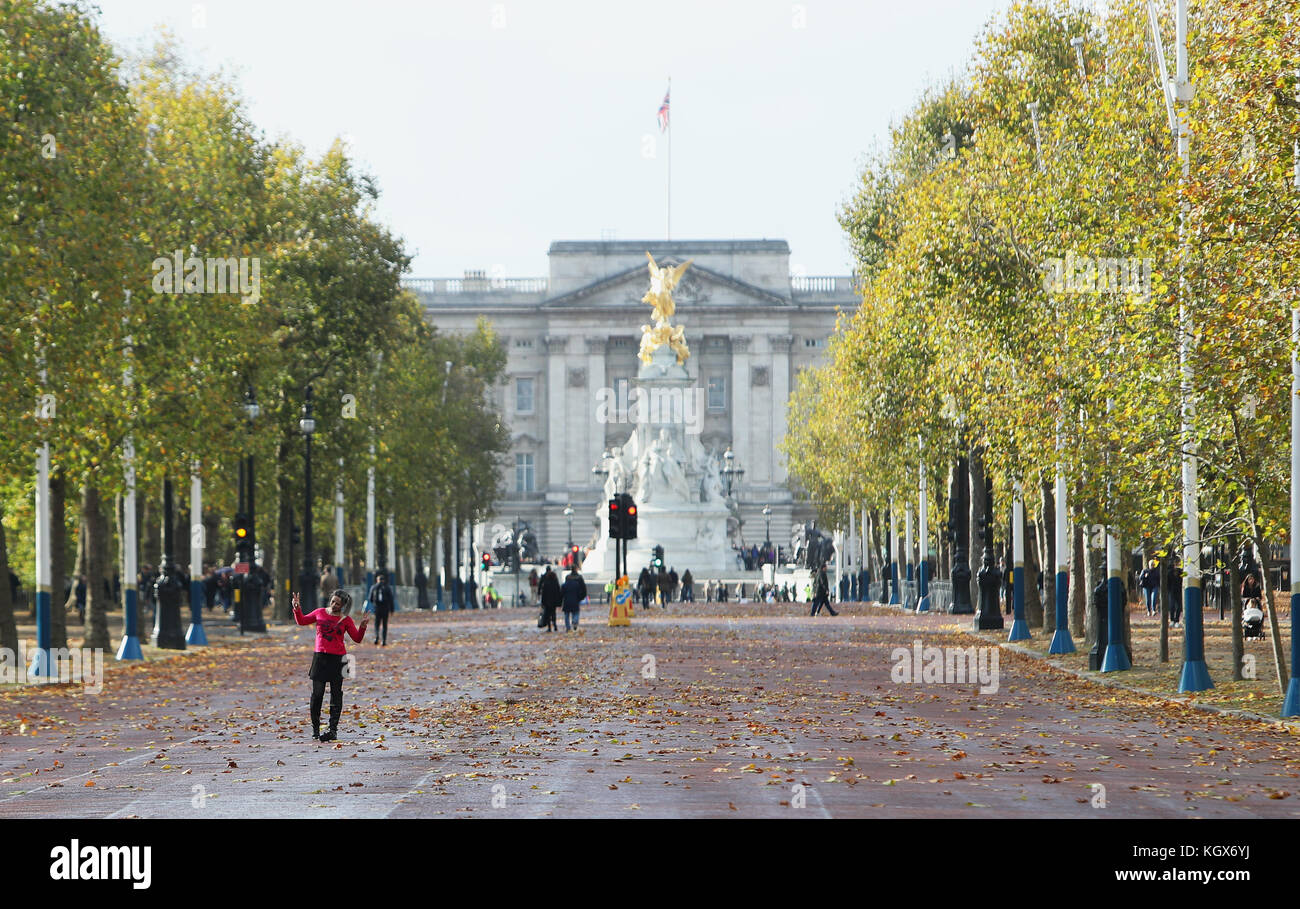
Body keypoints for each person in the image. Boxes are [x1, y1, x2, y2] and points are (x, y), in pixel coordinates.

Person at [292, 588, 368, 742]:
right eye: (333, 601)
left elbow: (357, 639)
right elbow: (302, 621)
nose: (334, 605)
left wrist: (363, 626)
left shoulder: (346, 620)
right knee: (317, 695)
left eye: (338, 604)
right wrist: (297, 608)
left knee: (336, 695)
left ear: (343, 606)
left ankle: (333, 729)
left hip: (339, 659)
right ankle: (315, 729)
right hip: (320, 657)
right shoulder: (320, 612)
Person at [366, 571, 396, 646]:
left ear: (377, 580)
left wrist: (374, 604)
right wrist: (392, 610)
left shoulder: (374, 587)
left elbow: (370, 598)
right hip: (385, 608)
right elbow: (391, 599)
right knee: (384, 624)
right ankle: (384, 640)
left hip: (377, 608)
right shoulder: (387, 587)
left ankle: (377, 637)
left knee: (377, 624)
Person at [561, 566, 588, 631]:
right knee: (575, 612)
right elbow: (582, 589)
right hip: (575, 599)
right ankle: (575, 621)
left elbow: (561, 593)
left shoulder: (565, 585)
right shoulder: (577, 582)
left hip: (567, 600)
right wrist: (580, 597)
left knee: (567, 614)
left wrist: (561, 600)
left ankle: (568, 627)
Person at [539, 564, 561, 632]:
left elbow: (544, 594)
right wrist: (559, 601)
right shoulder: (555, 582)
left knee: (547, 614)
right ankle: (555, 625)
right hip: (554, 601)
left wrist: (542, 602)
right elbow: (558, 592)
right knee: (553, 613)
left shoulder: (546, 583)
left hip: (547, 602)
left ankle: (549, 627)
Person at [1165, 558, 1184, 626]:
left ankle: (1177, 620)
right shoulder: (1169, 572)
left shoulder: (1181, 573)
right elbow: (1167, 582)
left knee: (1178, 606)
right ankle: (1172, 620)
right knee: (1172, 606)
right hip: (1171, 591)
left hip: (1178, 591)